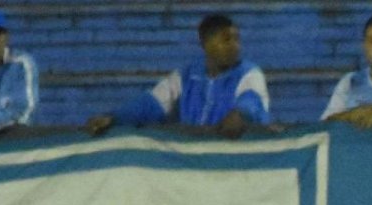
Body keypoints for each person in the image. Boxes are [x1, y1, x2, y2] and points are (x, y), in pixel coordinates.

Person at [85, 14, 269, 140]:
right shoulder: (186, 76)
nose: (235, 46)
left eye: (237, 39)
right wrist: (115, 118)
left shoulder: (249, 73)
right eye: (226, 39)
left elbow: (252, 102)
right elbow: (151, 103)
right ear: (204, 43)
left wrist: (241, 114)